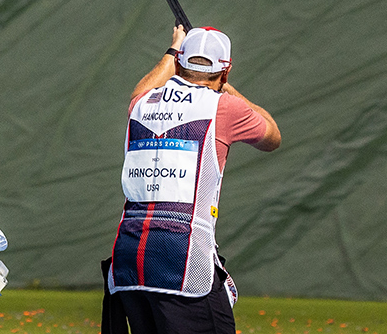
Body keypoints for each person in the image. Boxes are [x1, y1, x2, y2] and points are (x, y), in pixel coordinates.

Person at [102, 25, 281, 334]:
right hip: (183, 257)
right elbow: (271, 135)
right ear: (224, 71)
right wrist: (227, 87)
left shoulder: (142, 104)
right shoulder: (225, 107)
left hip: (130, 254)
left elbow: (140, 90)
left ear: (179, 62)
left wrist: (173, 49)